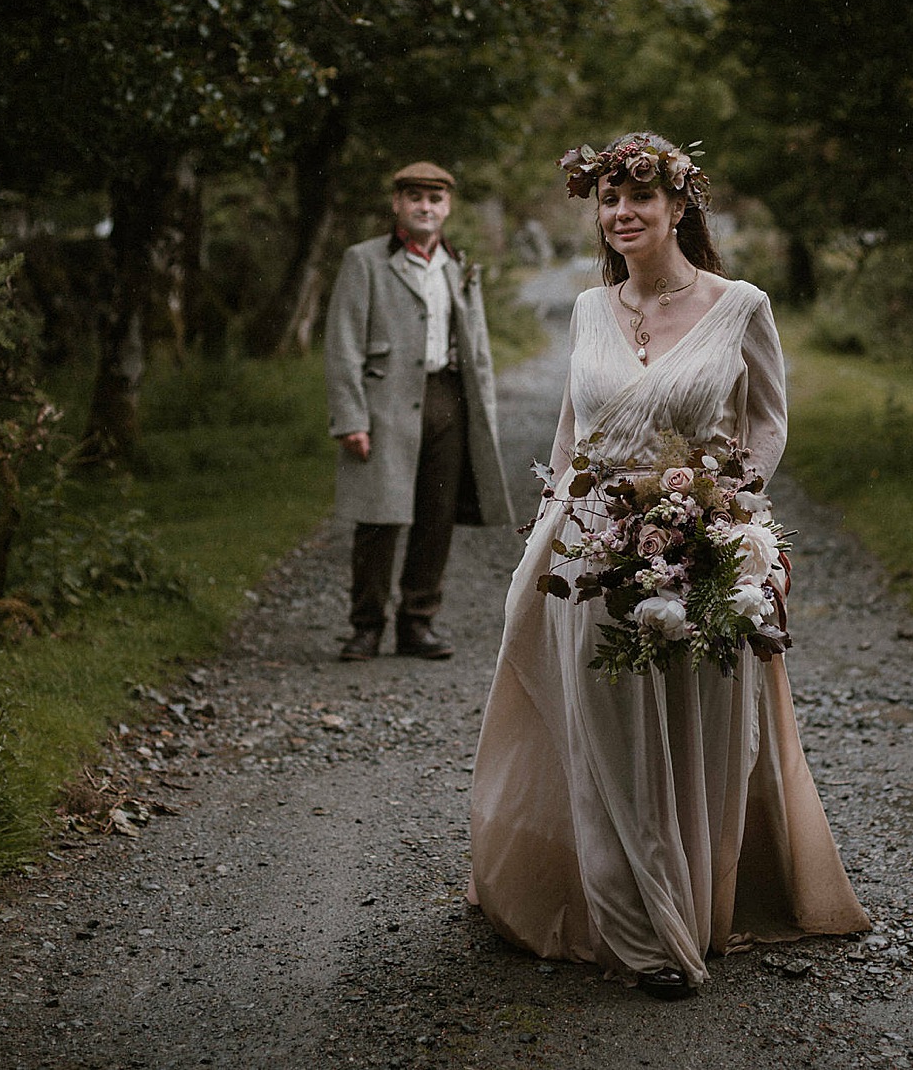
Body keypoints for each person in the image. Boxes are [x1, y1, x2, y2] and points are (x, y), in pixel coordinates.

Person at [468, 133, 870, 999]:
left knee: (696, 725)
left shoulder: (741, 305)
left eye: (637, 199)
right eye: (607, 201)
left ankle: (700, 894)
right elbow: (571, 433)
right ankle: (641, 926)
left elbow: (768, 421)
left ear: (679, 206)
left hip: (699, 536)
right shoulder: (586, 308)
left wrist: (735, 516)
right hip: (591, 542)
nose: (620, 215)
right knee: (606, 731)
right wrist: (548, 529)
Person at [324, 161, 514, 662]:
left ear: (447, 207)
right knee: (378, 516)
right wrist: (351, 418)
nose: (425, 208)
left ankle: (418, 623)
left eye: (434, 200)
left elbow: (478, 349)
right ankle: (365, 627)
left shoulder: (457, 264)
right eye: (415, 199)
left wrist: (484, 415)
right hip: (385, 406)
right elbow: (342, 345)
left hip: (448, 401)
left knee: (438, 515)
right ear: (398, 205)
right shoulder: (365, 261)